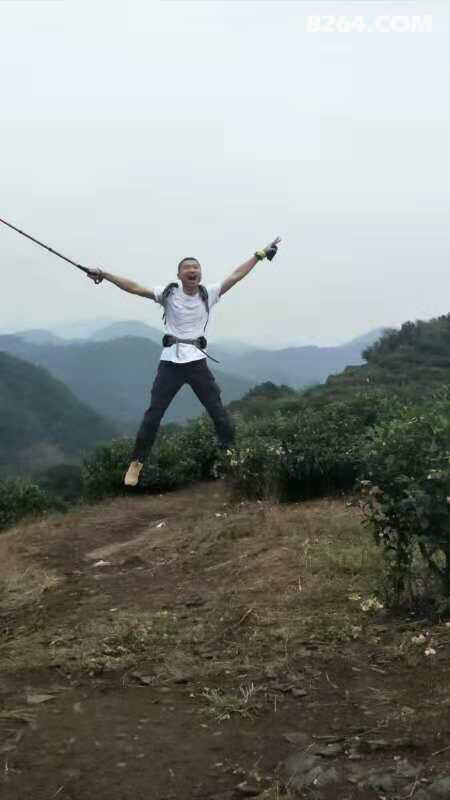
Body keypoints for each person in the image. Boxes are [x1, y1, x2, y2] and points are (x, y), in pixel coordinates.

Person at [87, 237, 281, 486]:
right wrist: (104, 274)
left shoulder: (208, 294)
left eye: (196, 267)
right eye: (187, 267)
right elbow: (134, 287)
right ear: (179, 275)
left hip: (197, 363)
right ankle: (136, 463)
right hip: (170, 363)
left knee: (218, 413)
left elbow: (236, 275)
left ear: (200, 273)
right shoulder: (168, 294)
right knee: (153, 415)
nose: (192, 270)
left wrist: (260, 254)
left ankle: (232, 457)